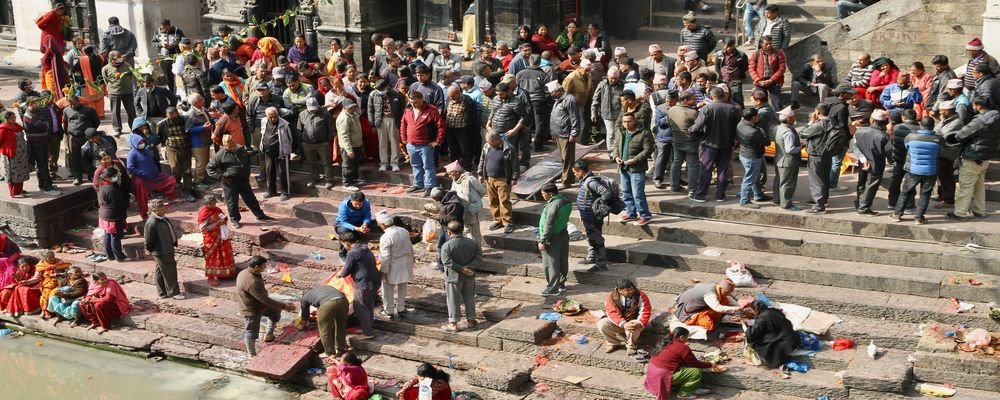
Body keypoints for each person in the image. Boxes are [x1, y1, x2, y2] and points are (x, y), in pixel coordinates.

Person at [946, 97, 1000, 220]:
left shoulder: (980, 120)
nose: (973, 107)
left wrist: (950, 138)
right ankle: (980, 210)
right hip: (986, 156)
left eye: (974, 105)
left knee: (966, 186)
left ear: (979, 105)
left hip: (974, 156)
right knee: (979, 185)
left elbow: (961, 135)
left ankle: (959, 213)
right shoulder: (996, 116)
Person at [690, 87, 741, 202]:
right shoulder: (733, 109)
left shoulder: (707, 108)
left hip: (708, 144)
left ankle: (700, 195)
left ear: (712, 96)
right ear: (724, 95)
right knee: (723, 170)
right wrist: (736, 140)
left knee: (705, 169)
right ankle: (720, 195)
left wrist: (693, 132)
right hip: (727, 144)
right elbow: (738, 127)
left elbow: (697, 127)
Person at [237, 255, 297, 356]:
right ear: (256, 267)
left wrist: (280, 307)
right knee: (251, 332)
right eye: (263, 266)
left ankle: (269, 335)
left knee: (275, 312)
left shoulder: (247, 272)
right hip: (251, 309)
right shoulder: (251, 281)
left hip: (260, 304)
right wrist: (285, 306)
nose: (265, 268)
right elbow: (265, 300)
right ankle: (251, 354)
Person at [889, 117, 942, 224]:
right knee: (925, 194)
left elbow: (907, 147)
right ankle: (919, 218)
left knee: (905, 192)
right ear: (933, 126)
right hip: (930, 170)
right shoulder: (939, 139)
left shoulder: (910, 137)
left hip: (913, 169)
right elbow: (941, 151)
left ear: (921, 125)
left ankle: (897, 214)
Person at [644, 327, 716, 400]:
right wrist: (710, 364)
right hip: (663, 375)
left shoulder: (666, 342)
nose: (687, 340)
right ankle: (684, 394)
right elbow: (694, 363)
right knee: (695, 372)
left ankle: (693, 388)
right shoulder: (682, 347)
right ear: (681, 337)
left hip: (652, 371)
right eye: (687, 337)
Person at [127, 120, 178, 219]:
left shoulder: (146, 150)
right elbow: (130, 167)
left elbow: (152, 160)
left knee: (171, 180)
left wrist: (154, 171)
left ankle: (170, 197)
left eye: (142, 141)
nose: (142, 143)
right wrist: (141, 173)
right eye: (139, 142)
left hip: (154, 176)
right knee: (142, 198)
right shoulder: (132, 154)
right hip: (141, 179)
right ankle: (144, 214)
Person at [400, 90, 445, 197]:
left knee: (428, 166)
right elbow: (403, 124)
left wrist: (437, 141)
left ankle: (429, 186)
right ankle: (418, 184)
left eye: (415, 102)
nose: (413, 104)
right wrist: (403, 138)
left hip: (426, 145)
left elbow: (441, 126)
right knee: (415, 165)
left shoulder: (431, 110)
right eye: (411, 102)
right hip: (411, 144)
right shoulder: (408, 110)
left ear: (421, 99)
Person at [613, 112, 655, 225]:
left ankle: (645, 215)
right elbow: (616, 146)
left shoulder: (644, 133)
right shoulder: (620, 132)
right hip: (623, 167)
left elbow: (648, 150)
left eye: (629, 121)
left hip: (637, 168)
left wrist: (634, 160)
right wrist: (616, 156)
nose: (626, 124)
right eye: (624, 121)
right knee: (626, 192)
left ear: (634, 121)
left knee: (637, 193)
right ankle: (631, 213)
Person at [440, 221, 480, 332]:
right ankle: (471, 321)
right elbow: (478, 258)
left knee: (453, 299)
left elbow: (447, 262)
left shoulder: (446, 246)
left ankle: (453, 324)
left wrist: (461, 269)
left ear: (448, 232)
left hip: (453, 277)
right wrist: (468, 268)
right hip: (469, 275)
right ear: (462, 230)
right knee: (469, 298)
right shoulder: (472, 243)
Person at [338, 230, 378, 339]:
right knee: (369, 305)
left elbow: (346, 270)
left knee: (360, 307)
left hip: (363, 283)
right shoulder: (365, 248)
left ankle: (368, 333)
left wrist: (340, 275)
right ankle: (369, 326)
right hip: (374, 281)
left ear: (346, 243)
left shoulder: (352, 252)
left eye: (343, 245)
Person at [598, 279, 652, 360]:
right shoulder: (611, 297)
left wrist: (639, 322)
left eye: (632, 289)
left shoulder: (641, 295)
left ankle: (631, 346)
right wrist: (623, 324)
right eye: (628, 290)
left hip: (636, 322)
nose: (631, 291)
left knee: (633, 326)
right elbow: (612, 312)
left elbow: (645, 310)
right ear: (620, 291)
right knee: (602, 323)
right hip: (620, 323)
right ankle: (613, 342)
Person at [850, 110, 891, 215]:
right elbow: (889, 152)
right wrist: (891, 161)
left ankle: (860, 202)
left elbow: (853, 146)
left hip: (862, 162)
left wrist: (863, 159)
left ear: (872, 120)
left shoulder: (860, 131)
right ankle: (864, 207)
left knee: (861, 183)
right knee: (871, 185)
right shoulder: (884, 136)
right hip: (876, 164)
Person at [799, 103, 837, 214]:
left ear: (818, 112)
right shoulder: (833, 123)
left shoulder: (817, 125)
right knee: (825, 178)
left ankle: (819, 205)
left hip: (816, 155)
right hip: (828, 154)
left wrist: (811, 121)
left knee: (816, 180)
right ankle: (823, 199)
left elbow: (803, 134)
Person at [478, 132, 518, 234]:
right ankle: (497, 220)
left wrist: (514, 178)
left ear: (497, 140)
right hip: (489, 178)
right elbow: (482, 160)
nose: (489, 144)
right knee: (492, 201)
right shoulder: (487, 146)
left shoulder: (509, 148)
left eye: (491, 142)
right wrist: (480, 174)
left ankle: (508, 223)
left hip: (503, 179)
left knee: (504, 201)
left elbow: (515, 164)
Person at [143, 199, 184, 300]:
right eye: (160, 209)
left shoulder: (162, 218)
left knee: (160, 271)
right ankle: (174, 292)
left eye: (163, 208)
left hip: (167, 248)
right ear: (154, 210)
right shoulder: (152, 222)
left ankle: (162, 293)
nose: (163, 210)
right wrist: (149, 249)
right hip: (161, 251)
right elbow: (148, 239)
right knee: (170, 271)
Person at [377, 211, 414, 320]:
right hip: (406, 262)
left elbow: (385, 257)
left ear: (383, 224)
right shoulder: (404, 231)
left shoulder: (385, 237)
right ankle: (401, 308)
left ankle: (388, 310)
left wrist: (383, 271)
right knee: (402, 286)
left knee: (387, 288)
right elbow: (410, 247)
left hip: (393, 265)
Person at [538, 183, 572, 296]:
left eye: (543, 194)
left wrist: (542, 240)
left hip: (552, 237)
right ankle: (561, 284)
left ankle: (553, 288)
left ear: (551, 193)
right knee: (562, 260)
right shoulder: (566, 201)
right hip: (563, 233)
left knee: (550, 263)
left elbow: (548, 224)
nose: (542, 196)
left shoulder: (553, 205)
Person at [674, 278, 745, 332]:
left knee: (725, 300)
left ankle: (721, 317)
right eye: (727, 292)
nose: (728, 294)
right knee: (709, 325)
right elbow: (718, 308)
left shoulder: (714, 286)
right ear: (721, 288)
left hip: (698, 306)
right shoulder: (710, 294)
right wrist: (737, 308)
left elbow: (729, 300)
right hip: (687, 313)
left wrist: (740, 307)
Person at [298, 284, 349, 359]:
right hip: (343, 300)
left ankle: (329, 352)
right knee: (341, 325)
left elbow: (305, 315)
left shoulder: (305, 298)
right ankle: (341, 348)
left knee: (324, 329)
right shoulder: (323, 288)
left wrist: (303, 327)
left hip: (328, 303)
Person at [197, 195, 237, 286]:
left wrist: (224, 220)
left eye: (214, 203)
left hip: (222, 236)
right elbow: (203, 228)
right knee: (213, 256)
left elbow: (223, 217)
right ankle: (211, 276)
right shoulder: (204, 213)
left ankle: (225, 273)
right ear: (206, 204)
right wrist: (216, 224)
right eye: (211, 204)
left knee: (224, 253)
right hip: (211, 238)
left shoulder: (217, 209)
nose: (213, 205)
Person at [548, 81, 581, 188]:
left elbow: (574, 117)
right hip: (559, 133)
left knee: (568, 159)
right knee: (563, 158)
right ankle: (564, 176)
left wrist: (574, 133)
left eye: (552, 93)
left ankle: (567, 181)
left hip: (566, 134)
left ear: (558, 91)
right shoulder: (558, 100)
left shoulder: (570, 100)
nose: (551, 95)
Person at [367, 79, 404, 172]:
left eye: (382, 89)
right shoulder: (373, 94)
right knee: (382, 143)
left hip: (393, 119)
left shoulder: (396, 93)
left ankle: (394, 163)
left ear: (386, 86)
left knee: (395, 142)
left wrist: (401, 122)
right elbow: (370, 109)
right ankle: (383, 163)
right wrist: (371, 123)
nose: (380, 91)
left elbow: (402, 107)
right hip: (380, 120)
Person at [22, 99, 58, 194]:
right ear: (30, 104)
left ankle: (43, 184)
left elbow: (46, 122)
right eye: (36, 103)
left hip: (42, 142)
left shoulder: (36, 113)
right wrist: (45, 123)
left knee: (42, 164)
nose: (39, 105)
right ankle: (47, 187)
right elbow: (44, 125)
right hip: (37, 144)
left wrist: (45, 123)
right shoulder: (30, 115)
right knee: (42, 164)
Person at [887, 109, 920, 213]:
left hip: (899, 158)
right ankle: (909, 206)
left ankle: (892, 202)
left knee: (895, 180)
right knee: (910, 182)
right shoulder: (919, 129)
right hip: (912, 160)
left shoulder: (897, 127)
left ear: (904, 117)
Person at [63, 95, 101, 185]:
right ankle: (77, 176)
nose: (72, 106)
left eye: (74, 104)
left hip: (86, 137)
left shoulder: (88, 110)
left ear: (78, 101)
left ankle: (91, 174)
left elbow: (96, 122)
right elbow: (65, 122)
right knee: (74, 157)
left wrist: (89, 133)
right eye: (70, 104)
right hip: (73, 138)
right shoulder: (66, 110)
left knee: (87, 155)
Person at [736, 108, 769, 209]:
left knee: (754, 176)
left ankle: (758, 194)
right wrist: (762, 131)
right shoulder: (754, 131)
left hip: (744, 154)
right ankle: (744, 199)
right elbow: (766, 142)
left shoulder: (740, 124)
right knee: (750, 178)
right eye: (757, 116)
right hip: (752, 156)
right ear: (753, 117)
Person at [668, 91, 700, 194]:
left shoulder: (671, 110)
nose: (695, 101)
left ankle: (674, 185)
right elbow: (699, 127)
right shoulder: (693, 113)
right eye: (693, 99)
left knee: (676, 162)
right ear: (685, 100)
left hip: (677, 140)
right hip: (691, 142)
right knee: (692, 165)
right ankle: (692, 188)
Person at [446, 161, 486, 244]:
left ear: (456, 172)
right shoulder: (455, 180)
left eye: (450, 174)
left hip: (472, 209)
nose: (449, 176)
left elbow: (482, 191)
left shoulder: (470, 179)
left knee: (475, 232)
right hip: (462, 210)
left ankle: (477, 250)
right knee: (466, 230)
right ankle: (470, 247)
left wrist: (475, 200)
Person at [102, 51, 137, 137]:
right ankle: (117, 129)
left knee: (131, 111)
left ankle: (134, 127)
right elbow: (106, 80)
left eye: (121, 57)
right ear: (111, 59)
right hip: (114, 92)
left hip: (127, 91)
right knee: (115, 112)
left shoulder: (126, 65)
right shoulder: (105, 68)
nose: (120, 60)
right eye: (118, 58)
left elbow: (131, 75)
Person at [97, 168, 129, 261]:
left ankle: (110, 255)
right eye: (114, 176)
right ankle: (119, 256)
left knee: (108, 234)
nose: (116, 177)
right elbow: (119, 203)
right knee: (115, 236)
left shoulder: (102, 186)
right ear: (108, 177)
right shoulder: (111, 190)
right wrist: (127, 204)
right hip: (113, 215)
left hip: (104, 214)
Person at [935, 101, 963, 206]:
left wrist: (935, 134)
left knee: (947, 176)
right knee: (941, 175)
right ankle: (941, 195)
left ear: (947, 111)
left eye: (941, 111)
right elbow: (936, 130)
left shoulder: (957, 122)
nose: (940, 112)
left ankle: (948, 199)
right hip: (941, 151)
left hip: (948, 153)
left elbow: (942, 136)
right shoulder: (945, 120)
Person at [748, 36, 786, 111]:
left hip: (774, 81)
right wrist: (758, 80)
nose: (769, 46)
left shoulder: (778, 53)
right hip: (760, 82)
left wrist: (772, 80)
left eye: (770, 44)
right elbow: (751, 69)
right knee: (760, 103)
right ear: (761, 44)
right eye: (766, 44)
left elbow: (782, 68)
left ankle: (779, 120)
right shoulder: (756, 54)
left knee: (777, 103)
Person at [592, 67, 625, 151]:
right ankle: (611, 152)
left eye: (616, 78)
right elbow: (596, 99)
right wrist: (593, 112)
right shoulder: (602, 85)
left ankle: (619, 151)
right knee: (610, 133)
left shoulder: (623, 85)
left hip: (620, 114)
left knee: (620, 133)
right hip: (607, 114)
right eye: (611, 78)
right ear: (608, 76)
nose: (613, 80)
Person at [0, 111, 30, 198]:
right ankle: (14, 192)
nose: (14, 119)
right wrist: (6, 150)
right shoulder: (4, 128)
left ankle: (19, 189)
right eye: (12, 118)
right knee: (14, 174)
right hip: (11, 155)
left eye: (15, 117)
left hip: (20, 155)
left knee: (21, 172)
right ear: (7, 119)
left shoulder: (16, 126)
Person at [335, 191, 373, 258]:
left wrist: (365, 224)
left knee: (369, 226)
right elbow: (343, 222)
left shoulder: (366, 203)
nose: (358, 206)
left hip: (358, 223)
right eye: (356, 204)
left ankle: (358, 236)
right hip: (342, 225)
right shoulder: (344, 205)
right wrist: (356, 228)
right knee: (345, 233)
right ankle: (342, 253)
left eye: (360, 204)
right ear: (351, 200)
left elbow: (367, 216)